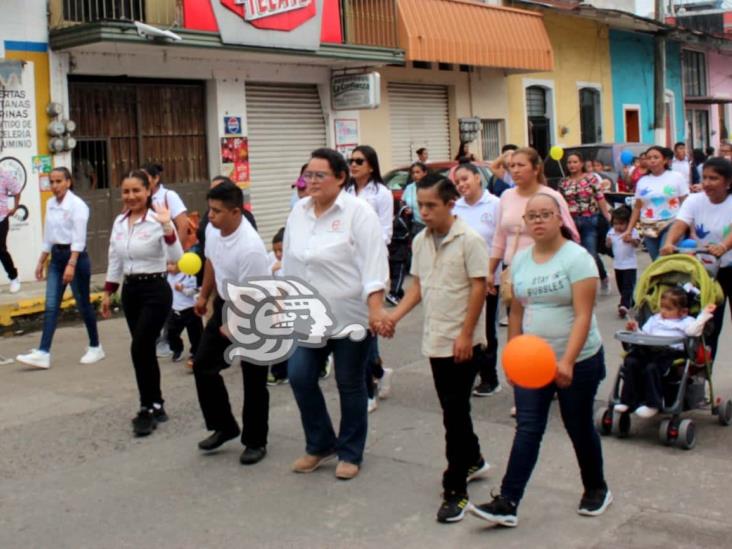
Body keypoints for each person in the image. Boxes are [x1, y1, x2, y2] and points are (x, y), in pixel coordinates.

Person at [470, 192, 611, 527]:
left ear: (559, 218)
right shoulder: (521, 260)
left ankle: (596, 488)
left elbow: (583, 315)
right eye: (531, 216)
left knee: (577, 426)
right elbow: (516, 311)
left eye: (545, 214)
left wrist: (567, 361)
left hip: (578, 360)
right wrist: (512, 355)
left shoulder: (577, 259)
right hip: (534, 361)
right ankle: (508, 502)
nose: (537, 221)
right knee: (528, 428)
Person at [382, 172, 490, 523]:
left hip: (463, 342)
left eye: (431, 205)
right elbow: (417, 286)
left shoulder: (469, 240)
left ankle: (455, 489)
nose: (424, 212)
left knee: (453, 414)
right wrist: (393, 316)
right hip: (436, 339)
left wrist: (466, 334)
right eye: (420, 205)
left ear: (450, 204)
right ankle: (472, 458)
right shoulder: (420, 241)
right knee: (453, 409)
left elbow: (478, 288)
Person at [284, 147, 389, 481]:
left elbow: (374, 263)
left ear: (341, 178)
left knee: (350, 384)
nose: (311, 182)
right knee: (300, 376)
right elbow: (291, 262)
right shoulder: (299, 212)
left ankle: (351, 451)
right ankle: (319, 443)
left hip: (350, 316)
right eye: (308, 175)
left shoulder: (359, 213)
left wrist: (375, 308)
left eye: (319, 175)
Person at [191, 181, 271, 465]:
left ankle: (255, 441)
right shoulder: (214, 230)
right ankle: (224, 425)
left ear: (236, 212)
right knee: (203, 365)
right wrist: (204, 296)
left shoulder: (250, 248)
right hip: (227, 303)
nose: (209, 216)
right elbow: (212, 262)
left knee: (254, 379)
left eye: (216, 211)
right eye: (209, 209)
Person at [100, 170, 182, 436]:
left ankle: (146, 407)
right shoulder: (119, 222)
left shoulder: (158, 219)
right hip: (131, 291)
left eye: (137, 190)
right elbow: (115, 258)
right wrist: (108, 291)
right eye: (126, 191)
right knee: (144, 351)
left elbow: (177, 256)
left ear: (148, 191)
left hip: (156, 290)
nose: (131, 196)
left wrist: (168, 227)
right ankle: (157, 403)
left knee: (139, 347)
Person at [16, 167, 104, 369]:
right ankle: (43, 352)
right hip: (56, 258)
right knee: (51, 306)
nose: (54, 186)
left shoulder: (78, 206)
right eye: (51, 182)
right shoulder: (50, 204)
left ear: (68, 182)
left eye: (58, 181)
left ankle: (95, 346)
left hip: (76, 259)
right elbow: (49, 236)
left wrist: (71, 264)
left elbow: (79, 239)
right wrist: (41, 261)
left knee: (83, 304)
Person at [661, 157, 732, 357]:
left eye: (714, 179)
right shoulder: (694, 200)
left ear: (728, 182)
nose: (707, 183)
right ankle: (703, 376)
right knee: (707, 325)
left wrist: (724, 246)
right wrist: (669, 242)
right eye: (705, 178)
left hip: (729, 264)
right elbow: (681, 223)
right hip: (706, 271)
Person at [488, 147, 579, 296]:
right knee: (516, 316)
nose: (515, 170)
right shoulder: (506, 196)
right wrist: (491, 271)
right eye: (512, 166)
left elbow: (571, 235)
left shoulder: (552, 196)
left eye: (521, 165)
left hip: (545, 269)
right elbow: (499, 236)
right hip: (513, 269)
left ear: (536, 169)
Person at [346, 145, 393, 412]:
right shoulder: (346, 192)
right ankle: (377, 371)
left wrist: (363, 243)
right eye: (351, 161)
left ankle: (369, 390)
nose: (353, 165)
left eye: (359, 161)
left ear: (371, 165)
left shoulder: (382, 194)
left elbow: (385, 233)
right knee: (362, 327)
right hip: (349, 266)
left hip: (372, 266)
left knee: (366, 326)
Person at [618, 289, 715, 418]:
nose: (663, 311)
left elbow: (693, 331)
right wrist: (635, 329)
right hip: (649, 348)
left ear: (683, 311)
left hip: (669, 352)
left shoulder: (686, 322)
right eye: (662, 307)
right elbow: (645, 336)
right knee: (631, 362)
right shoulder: (655, 319)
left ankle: (653, 404)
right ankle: (628, 400)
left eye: (668, 309)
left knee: (651, 368)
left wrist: (703, 316)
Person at [453, 162, 502, 397]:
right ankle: (469, 372)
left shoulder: (494, 204)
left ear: (477, 178)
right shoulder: (456, 208)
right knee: (466, 326)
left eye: (465, 179)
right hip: (463, 279)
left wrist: (491, 272)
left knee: (487, 328)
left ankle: (489, 377)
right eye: (457, 182)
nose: (462, 185)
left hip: (490, 278)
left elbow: (500, 241)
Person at [559, 152, 612, 295]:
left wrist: (607, 217)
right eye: (569, 162)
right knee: (575, 256)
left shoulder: (591, 179)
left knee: (591, 253)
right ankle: (580, 285)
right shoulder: (563, 182)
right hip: (571, 223)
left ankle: (603, 277)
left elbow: (600, 198)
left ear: (581, 164)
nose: (572, 165)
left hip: (590, 220)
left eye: (575, 162)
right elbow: (561, 203)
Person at [623, 146, 689, 260]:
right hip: (649, 226)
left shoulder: (676, 177)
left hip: (671, 223)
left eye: (656, 157)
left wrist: (690, 228)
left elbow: (686, 203)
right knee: (656, 262)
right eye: (649, 158)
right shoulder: (642, 181)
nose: (652, 160)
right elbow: (637, 207)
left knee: (664, 259)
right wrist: (629, 229)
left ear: (664, 160)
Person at [143, 163, 190, 246]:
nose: (141, 181)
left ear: (156, 178)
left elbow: (183, 225)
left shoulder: (169, 196)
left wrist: (176, 251)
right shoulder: (140, 199)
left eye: (144, 178)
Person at [165, 260, 202, 364]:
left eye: (172, 264)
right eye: (167, 264)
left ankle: (196, 353)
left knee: (195, 334)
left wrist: (183, 289)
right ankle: (177, 349)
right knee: (171, 332)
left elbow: (196, 290)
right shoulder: (168, 276)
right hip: (175, 309)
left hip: (190, 309)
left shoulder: (189, 276)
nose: (169, 267)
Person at [606, 206, 640, 318]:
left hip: (630, 265)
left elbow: (637, 244)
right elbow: (608, 246)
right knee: (621, 286)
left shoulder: (632, 232)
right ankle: (630, 302)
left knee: (628, 286)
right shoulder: (611, 232)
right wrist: (608, 243)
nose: (618, 227)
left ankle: (624, 305)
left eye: (621, 224)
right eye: (615, 224)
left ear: (628, 223)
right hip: (617, 265)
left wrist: (631, 240)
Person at [267, 227, 289, 386]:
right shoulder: (270, 259)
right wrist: (271, 269)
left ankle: (280, 372)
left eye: (281, 250)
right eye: (275, 250)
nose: (278, 254)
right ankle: (280, 371)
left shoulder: (294, 261)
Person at [386, 198, 412, 306]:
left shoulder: (393, 220)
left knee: (396, 275)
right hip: (398, 253)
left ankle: (396, 292)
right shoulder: (397, 220)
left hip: (397, 253)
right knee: (397, 275)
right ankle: (395, 293)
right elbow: (406, 235)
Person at [0, 167, 22, 293]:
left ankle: (13, 277)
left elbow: (17, 190)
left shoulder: (4, 174)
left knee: (1, 249)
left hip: (1, 219)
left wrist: (15, 207)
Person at [402, 162, 428, 236]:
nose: (415, 175)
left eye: (417, 172)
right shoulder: (409, 188)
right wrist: (406, 208)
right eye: (413, 173)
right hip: (416, 226)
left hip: (430, 225)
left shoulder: (431, 186)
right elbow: (403, 201)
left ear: (425, 173)